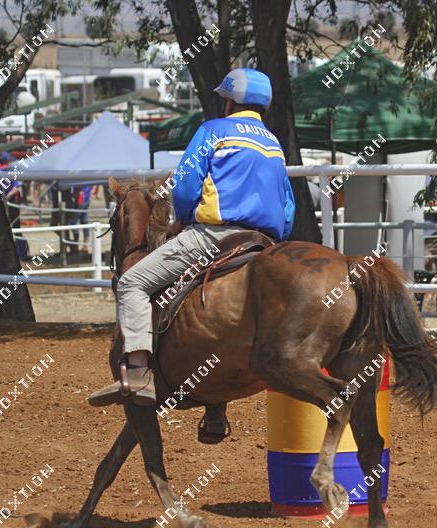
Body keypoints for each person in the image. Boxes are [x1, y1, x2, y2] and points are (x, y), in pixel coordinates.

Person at [88, 68, 296, 406]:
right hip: (264, 241)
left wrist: (182, 219)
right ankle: (215, 409)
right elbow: (287, 206)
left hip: (214, 235)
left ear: (230, 102)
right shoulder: (273, 143)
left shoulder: (213, 131)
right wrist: (277, 241)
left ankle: (138, 370)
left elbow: (185, 185)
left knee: (132, 283)